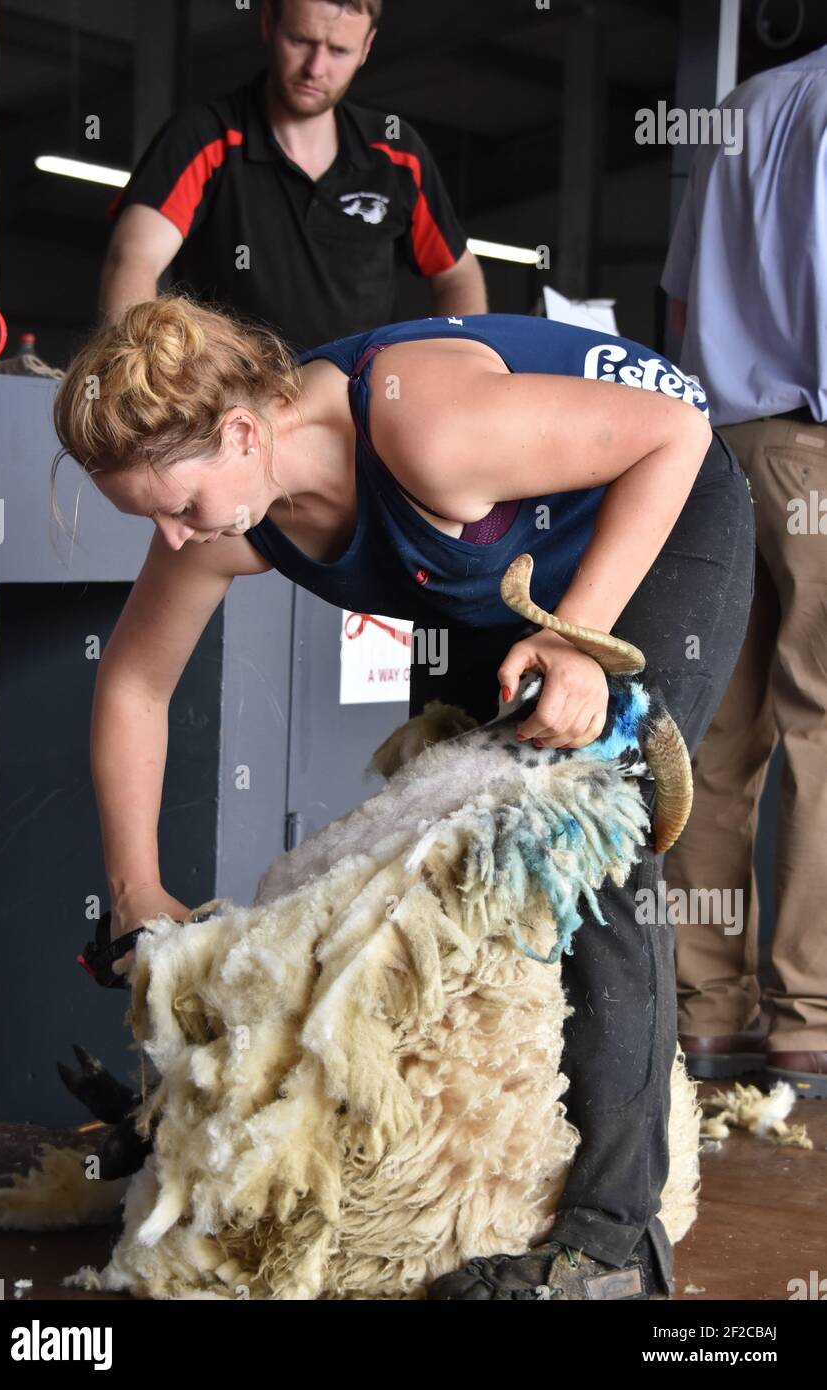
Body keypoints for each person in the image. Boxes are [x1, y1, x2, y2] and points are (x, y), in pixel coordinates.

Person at [50, 292, 754, 1299]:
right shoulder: (229, 518)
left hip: (661, 503)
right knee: (425, 824)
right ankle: (235, 1134)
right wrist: (135, 890)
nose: (168, 539)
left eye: (178, 505)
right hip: (493, 563)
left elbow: (673, 433)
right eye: (149, 515)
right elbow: (133, 683)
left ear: (244, 432)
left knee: (575, 819)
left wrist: (576, 640)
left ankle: (612, 1245)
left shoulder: (422, 430)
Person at [660, 43, 827, 1096]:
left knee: (716, 737)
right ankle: (808, 1017)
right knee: (819, 725)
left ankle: (705, 1015)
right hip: (815, 445)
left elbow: (677, 304)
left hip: (708, 443)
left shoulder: (748, 102)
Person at [100, 0, 486, 347]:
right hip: (230, 401)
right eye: (301, 41)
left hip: (353, 406)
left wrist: (459, 361)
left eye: (338, 51)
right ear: (269, 22)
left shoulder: (396, 153)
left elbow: (457, 273)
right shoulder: (206, 136)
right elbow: (133, 258)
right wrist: (130, 374)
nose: (315, 69)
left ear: (366, 48)